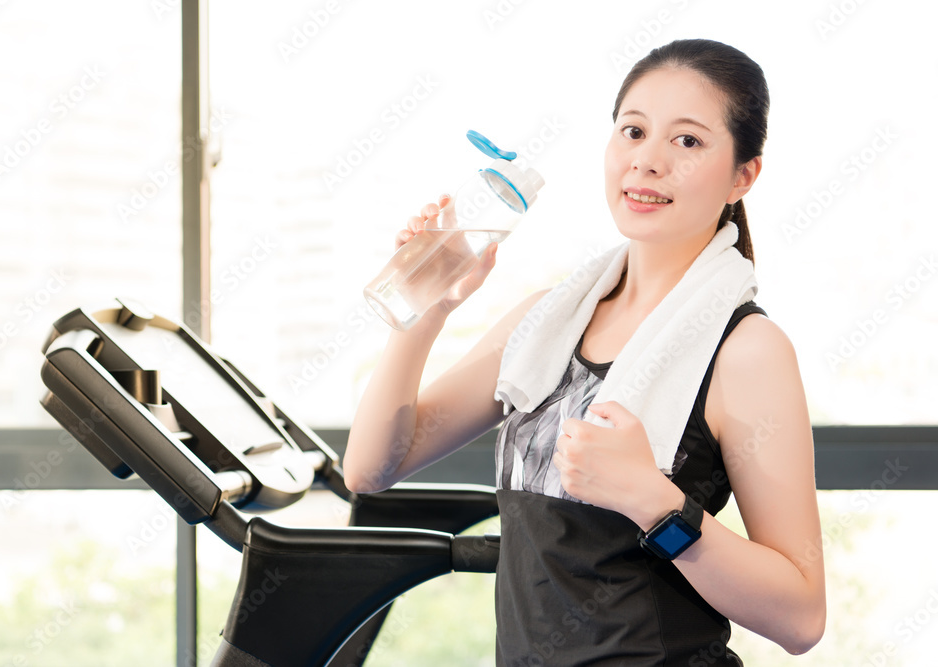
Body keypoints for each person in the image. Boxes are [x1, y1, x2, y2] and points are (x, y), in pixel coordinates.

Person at [343, 38, 826, 665]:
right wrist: (427, 305)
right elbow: (372, 469)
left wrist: (653, 500)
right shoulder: (548, 321)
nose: (647, 162)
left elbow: (802, 617)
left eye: (687, 141)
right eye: (633, 131)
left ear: (743, 175)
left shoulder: (747, 350)